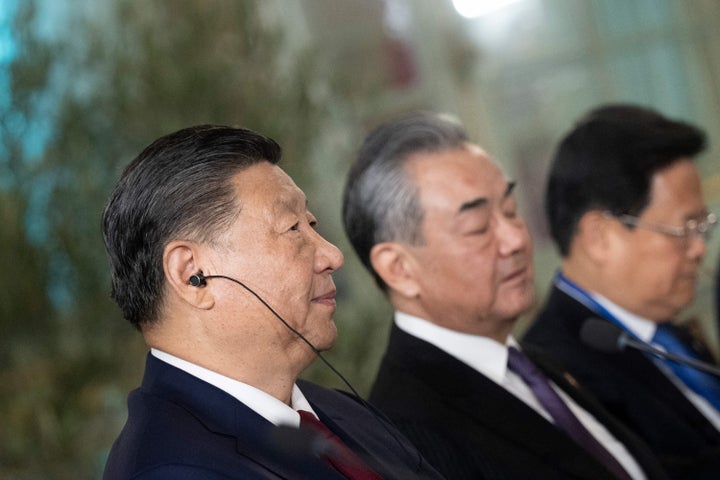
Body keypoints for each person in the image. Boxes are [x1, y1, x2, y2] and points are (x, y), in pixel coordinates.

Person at [101, 124, 444, 479]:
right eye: (293, 228)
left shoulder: (342, 412)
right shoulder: (173, 470)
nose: (331, 255)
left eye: (311, 222)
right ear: (192, 274)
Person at [341, 111, 668, 479]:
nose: (515, 240)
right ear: (398, 268)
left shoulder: (533, 364)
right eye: (478, 227)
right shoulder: (412, 433)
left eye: (511, 211)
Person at [523, 103, 720, 479]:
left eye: (702, 225)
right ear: (599, 237)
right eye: (684, 229)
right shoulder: (557, 374)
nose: (699, 248)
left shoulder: (664, 328)